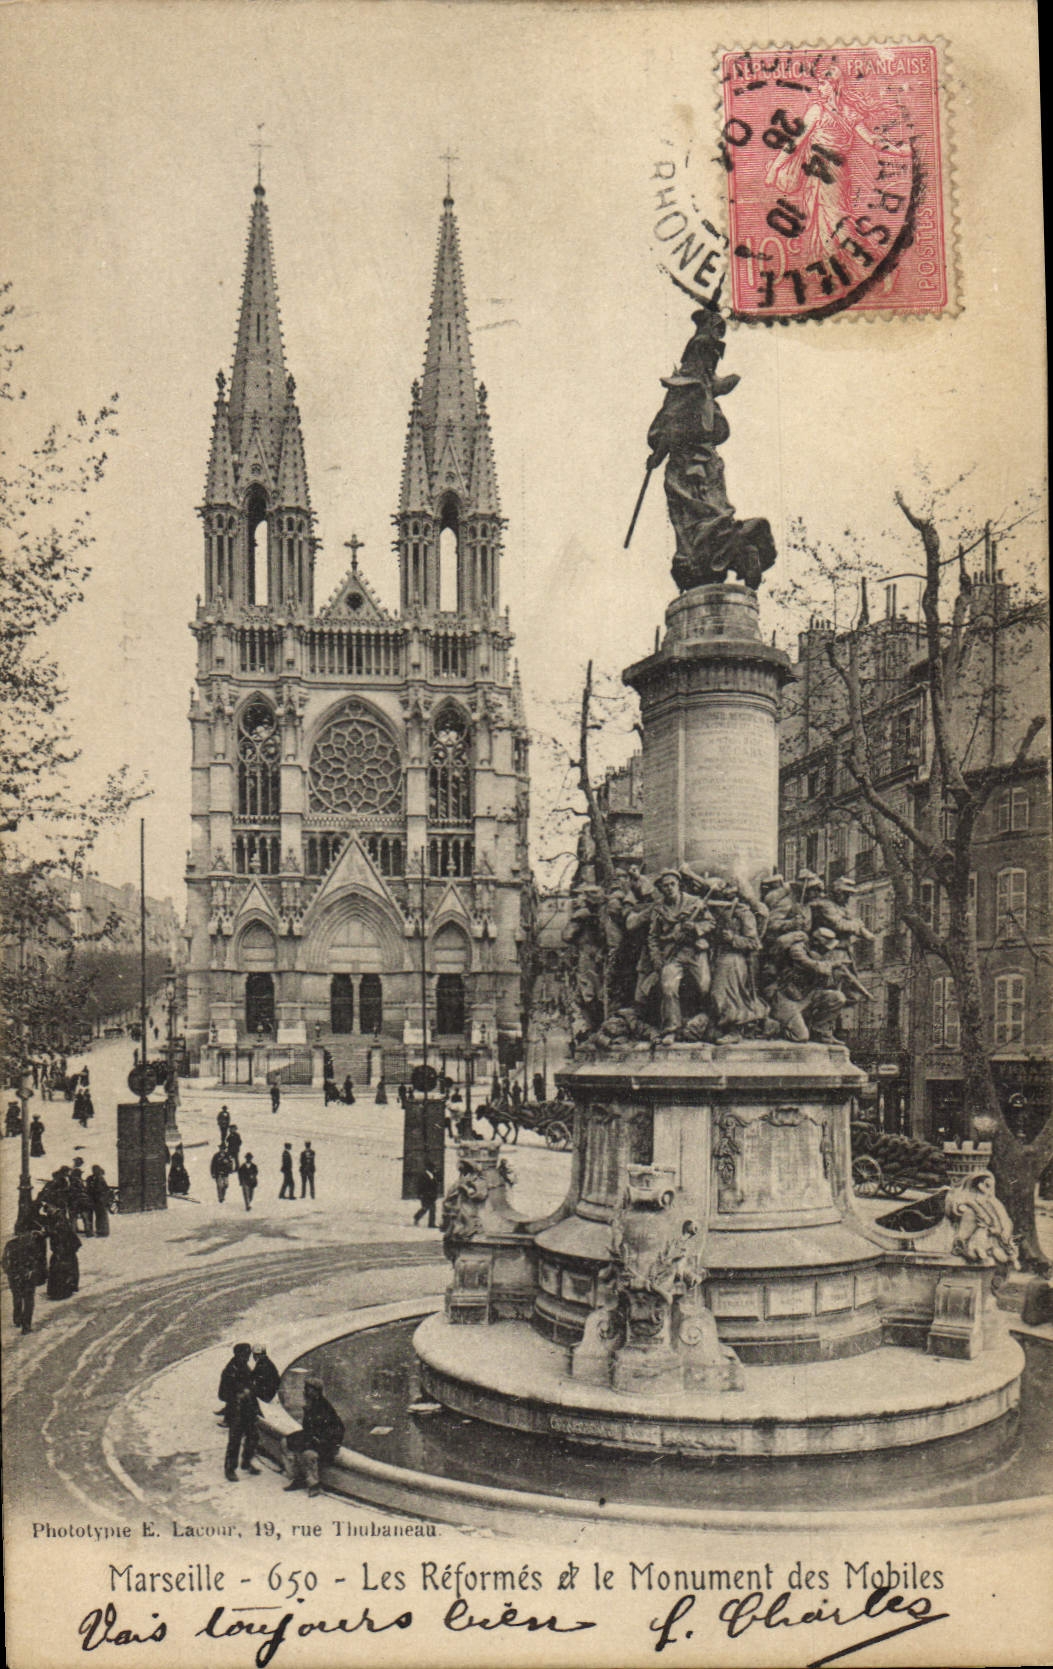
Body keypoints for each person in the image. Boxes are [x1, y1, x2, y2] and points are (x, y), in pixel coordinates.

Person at [281, 1377, 345, 1497]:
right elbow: (308, 1428)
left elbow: (337, 1429)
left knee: (308, 1454)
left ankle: (313, 1484)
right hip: (311, 1438)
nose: (307, 1392)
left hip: (324, 1443)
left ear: (317, 1392)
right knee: (285, 1442)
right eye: (307, 1389)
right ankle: (297, 1477)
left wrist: (326, 1441)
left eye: (311, 1390)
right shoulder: (311, 1404)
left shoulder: (324, 1408)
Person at [217, 1343, 260, 1481]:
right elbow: (222, 1394)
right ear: (238, 1355)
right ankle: (230, 1469)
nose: (247, 1358)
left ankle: (246, 1462)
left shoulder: (244, 1367)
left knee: (253, 1436)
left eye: (248, 1355)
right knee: (234, 1440)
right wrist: (238, 1395)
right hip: (236, 1411)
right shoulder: (230, 1370)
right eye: (245, 1355)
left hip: (249, 1409)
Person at [3, 1219, 48, 1334]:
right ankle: (26, 1325)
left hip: (15, 1276)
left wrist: (9, 1272)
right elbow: (37, 1260)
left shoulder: (10, 1244)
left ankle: (17, 1319)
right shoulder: (32, 1245)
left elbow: (4, 1261)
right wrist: (32, 1271)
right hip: (27, 1276)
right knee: (28, 1300)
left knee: (17, 1297)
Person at [45, 1212, 82, 1300]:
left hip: (64, 1248)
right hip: (64, 1248)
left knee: (62, 1267)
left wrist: (50, 1232)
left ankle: (62, 1291)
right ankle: (66, 1288)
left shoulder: (60, 1219)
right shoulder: (55, 1217)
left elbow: (61, 1235)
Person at [85, 1165, 113, 1237]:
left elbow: (102, 1189)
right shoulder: (96, 1178)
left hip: (98, 1200)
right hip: (97, 1200)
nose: (94, 1171)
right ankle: (101, 1231)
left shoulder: (96, 1178)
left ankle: (101, 1231)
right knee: (100, 1216)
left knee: (100, 1216)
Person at [413, 1164, 439, 1228]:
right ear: (430, 1169)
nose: (435, 1169)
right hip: (425, 1195)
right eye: (434, 1168)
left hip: (431, 1195)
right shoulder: (423, 1175)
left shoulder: (432, 1175)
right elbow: (421, 1186)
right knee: (425, 1208)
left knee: (432, 1208)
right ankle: (417, 1217)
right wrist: (420, 1194)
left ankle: (431, 1223)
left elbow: (435, 1184)